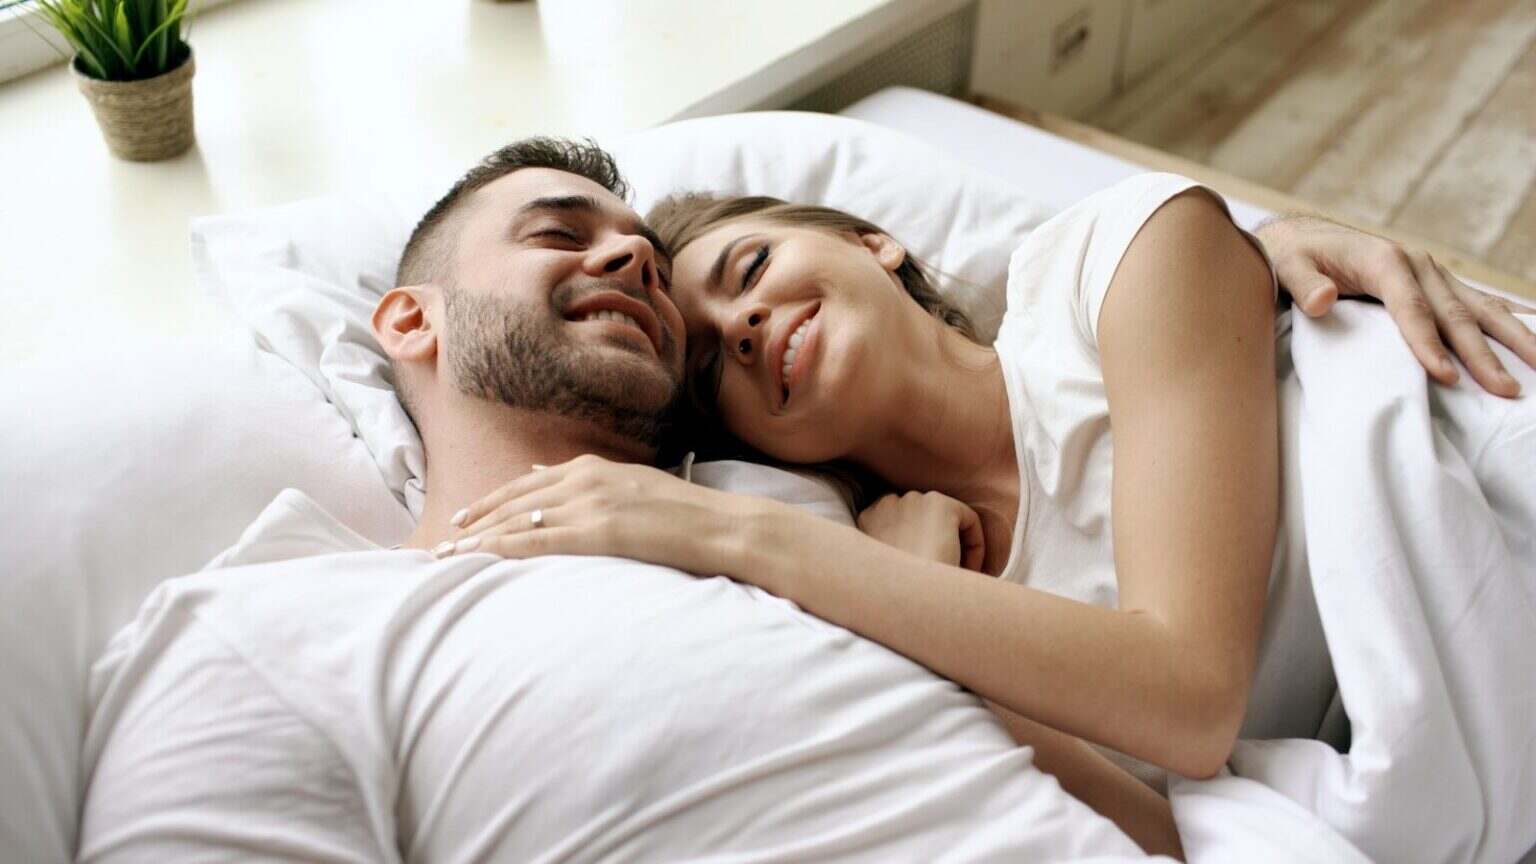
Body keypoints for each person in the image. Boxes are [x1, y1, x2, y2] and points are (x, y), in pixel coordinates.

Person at [76, 138, 1160, 862]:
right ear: (409, 322)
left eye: (641, 253)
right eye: (560, 233)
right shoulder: (279, 635)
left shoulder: (805, 533)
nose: (633, 256)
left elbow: (1153, 830)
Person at [441, 159, 1536, 857]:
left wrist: (739, 537)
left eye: (754, 263)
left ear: (877, 242)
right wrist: (916, 621)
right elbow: (1161, 832)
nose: (743, 324)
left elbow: (1193, 699)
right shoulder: (915, 590)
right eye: (712, 366)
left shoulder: (1115, 264)